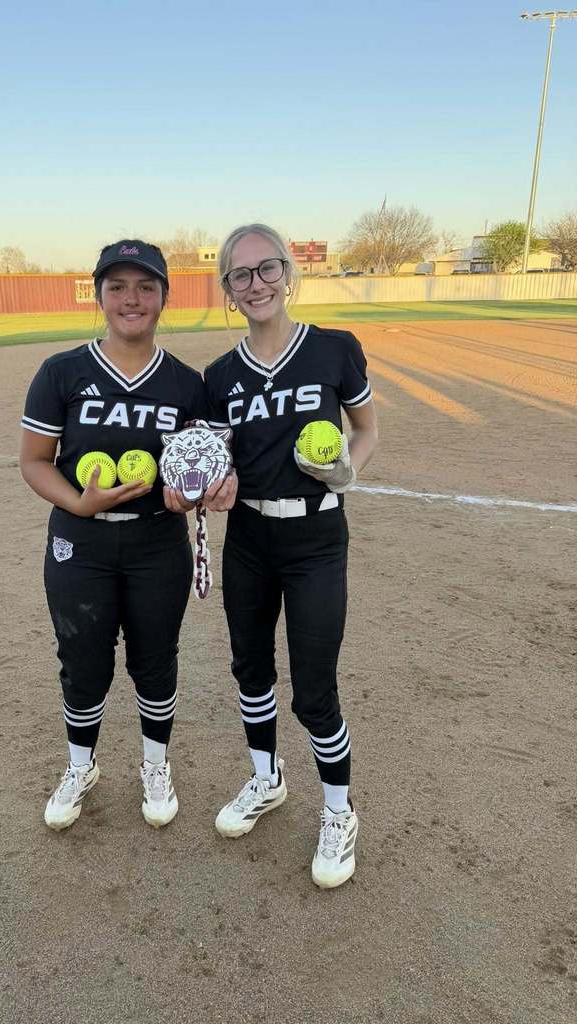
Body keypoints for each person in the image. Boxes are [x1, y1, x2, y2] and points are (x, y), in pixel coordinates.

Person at [203, 223, 378, 888]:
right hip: (249, 539)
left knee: (314, 691)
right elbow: (220, 457)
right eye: (241, 275)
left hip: (315, 540)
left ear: (288, 273)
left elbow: (365, 430)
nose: (257, 283)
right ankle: (266, 780)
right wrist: (214, 487)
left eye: (267, 267)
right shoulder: (220, 376)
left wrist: (347, 473)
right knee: (250, 669)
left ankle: (339, 812)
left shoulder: (334, 350)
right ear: (228, 290)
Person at [19, 240, 209, 831]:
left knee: (155, 659)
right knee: (83, 658)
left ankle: (156, 765)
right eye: (118, 286)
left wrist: (193, 489)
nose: (132, 299)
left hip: (157, 542)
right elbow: (34, 461)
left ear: (163, 298)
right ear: (99, 295)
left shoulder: (185, 383)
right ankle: (82, 766)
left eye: (146, 287)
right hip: (81, 543)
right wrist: (81, 501)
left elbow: (196, 464)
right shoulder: (63, 372)